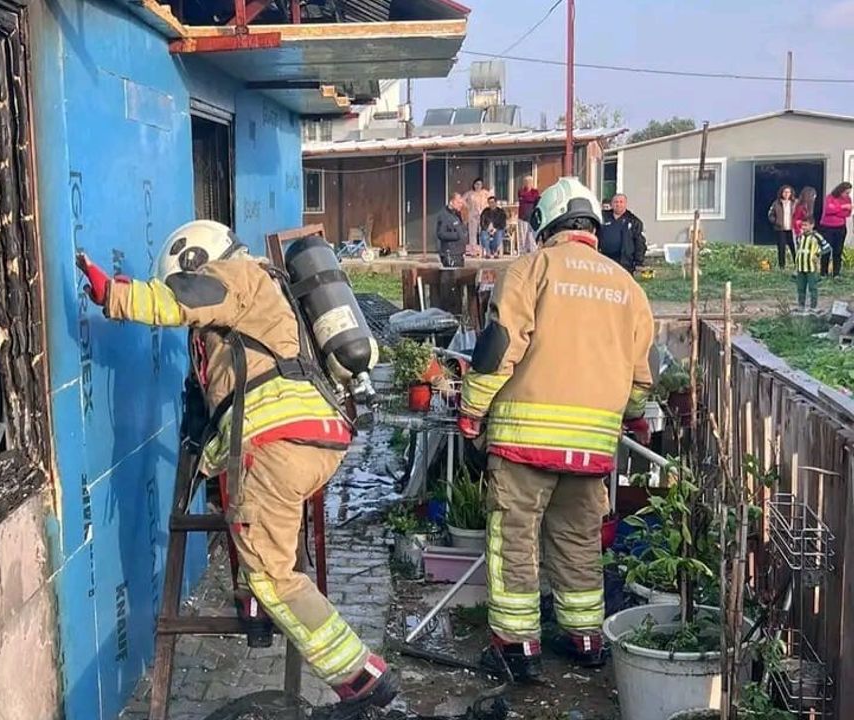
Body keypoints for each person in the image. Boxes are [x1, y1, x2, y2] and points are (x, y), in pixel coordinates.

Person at [75, 220, 398, 713]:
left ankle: (360, 675)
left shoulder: (232, 276)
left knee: (273, 575)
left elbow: (177, 302)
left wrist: (113, 294)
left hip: (274, 447)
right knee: (248, 522)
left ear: (196, 260)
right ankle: (254, 604)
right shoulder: (269, 287)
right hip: (314, 439)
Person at [456, 177, 655, 681]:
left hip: (524, 443)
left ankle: (516, 646)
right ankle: (585, 637)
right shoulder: (627, 287)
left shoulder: (531, 269)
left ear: (545, 224)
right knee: (579, 541)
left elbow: (500, 347)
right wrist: (631, 417)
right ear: (594, 226)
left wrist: (472, 410)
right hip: (591, 450)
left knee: (514, 540)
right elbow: (639, 381)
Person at [598, 194, 647, 274]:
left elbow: (640, 243)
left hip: (625, 262)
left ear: (625, 204)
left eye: (621, 202)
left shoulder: (634, 221)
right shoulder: (602, 217)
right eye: (616, 202)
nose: (618, 204)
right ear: (612, 204)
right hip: (604, 261)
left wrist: (639, 262)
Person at [795, 217, 832, 313]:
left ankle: (813, 307)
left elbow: (827, 247)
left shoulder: (817, 237)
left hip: (811, 267)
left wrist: (817, 255)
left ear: (812, 225)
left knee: (812, 287)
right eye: (802, 225)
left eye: (806, 225)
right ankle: (801, 306)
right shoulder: (799, 236)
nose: (803, 227)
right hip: (800, 267)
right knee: (800, 288)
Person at [818, 182, 852, 277]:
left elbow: (847, 213)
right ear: (840, 191)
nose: (847, 195)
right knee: (826, 250)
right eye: (846, 193)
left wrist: (836, 210)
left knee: (838, 251)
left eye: (849, 193)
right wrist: (842, 207)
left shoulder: (848, 199)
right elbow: (828, 210)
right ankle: (823, 273)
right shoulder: (830, 197)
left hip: (840, 227)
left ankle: (836, 273)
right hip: (827, 227)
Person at [767, 185, 797, 269]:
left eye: (788, 192)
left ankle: (797, 264)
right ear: (781, 193)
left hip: (792, 229)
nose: (787, 194)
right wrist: (776, 222)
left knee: (794, 247)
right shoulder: (776, 203)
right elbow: (770, 214)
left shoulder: (795, 203)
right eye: (785, 192)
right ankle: (782, 266)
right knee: (781, 247)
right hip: (780, 229)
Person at [437, 192, 467, 268]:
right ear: (451, 202)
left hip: (459, 253)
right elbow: (441, 234)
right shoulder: (444, 215)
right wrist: (457, 235)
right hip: (450, 254)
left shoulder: (457, 214)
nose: (461, 205)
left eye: (461, 203)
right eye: (458, 202)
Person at [464, 178, 489, 256]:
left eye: (480, 184)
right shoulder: (470, 193)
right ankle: (473, 251)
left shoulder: (485, 193)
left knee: (483, 233)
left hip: (483, 215)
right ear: (474, 185)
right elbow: (462, 200)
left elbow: (492, 200)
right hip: (473, 215)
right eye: (476, 184)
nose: (478, 186)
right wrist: (468, 206)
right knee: (472, 233)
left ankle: (484, 250)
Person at [516, 176, 540, 254]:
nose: (528, 183)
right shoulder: (521, 191)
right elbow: (528, 198)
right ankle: (523, 252)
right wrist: (529, 199)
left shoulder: (535, 192)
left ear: (532, 183)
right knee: (523, 235)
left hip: (532, 216)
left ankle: (533, 251)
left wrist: (526, 198)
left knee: (531, 235)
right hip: (522, 216)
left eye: (529, 182)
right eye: (526, 182)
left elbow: (534, 199)